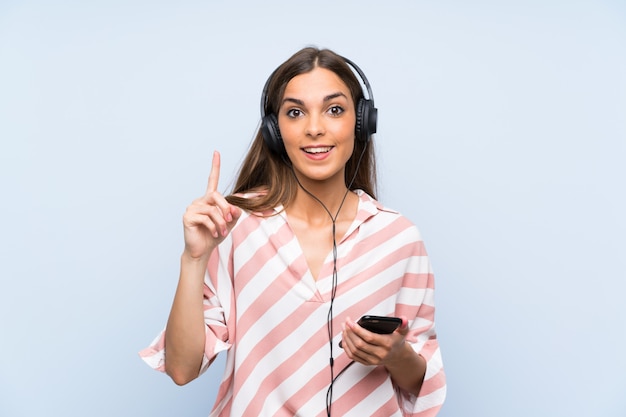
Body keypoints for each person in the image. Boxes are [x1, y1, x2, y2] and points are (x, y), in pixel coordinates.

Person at [140, 46, 446, 416]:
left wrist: (397, 356)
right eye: (295, 112)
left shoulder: (399, 238)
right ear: (274, 130)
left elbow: (423, 386)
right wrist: (194, 258)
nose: (314, 128)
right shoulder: (234, 225)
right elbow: (182, 368)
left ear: (361, 122)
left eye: (334, 110)